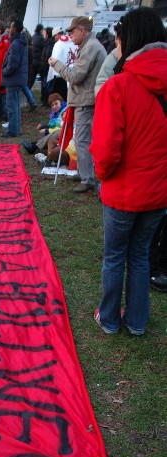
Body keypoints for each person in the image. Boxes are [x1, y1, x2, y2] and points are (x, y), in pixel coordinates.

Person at [89, 7, 167, 335]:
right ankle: (136, 322)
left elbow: (106, 150)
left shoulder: (118, 87)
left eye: (118, 42)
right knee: (140, 256)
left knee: (115, 257)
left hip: (124, 192)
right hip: (158, 192)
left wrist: (103, 176)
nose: (115, 49)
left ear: (129, 41)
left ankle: (108, 318)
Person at [48, 16, 106, 193]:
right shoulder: (90, 46)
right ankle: (84, 173)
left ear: (82, 30)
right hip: (85, 99)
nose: (70, 35)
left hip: (86, 100)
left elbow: (75, 76)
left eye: (72, 31)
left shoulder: (90, 48)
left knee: (82, 139)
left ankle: (87, 178)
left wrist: (57, 65)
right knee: (83, 139)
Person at [1, 19, 28, 138]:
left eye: (11, 27)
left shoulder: (15, 44)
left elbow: (13, 64)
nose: (9, 29)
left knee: (12, 106)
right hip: (18, 78)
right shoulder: (21, 42)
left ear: (15, 29)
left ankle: (12, 130)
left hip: (13, 78)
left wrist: (4, 71)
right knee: (16, 105)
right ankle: (16, 128)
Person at [46, 27, 76, 100]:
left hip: (60, 74)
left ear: (57, 35)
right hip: (72, 72)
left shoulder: (58, 44)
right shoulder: (74, 43)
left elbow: (54, 59)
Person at [39, 27, 55, 104]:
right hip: (45, 68)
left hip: (47, 68)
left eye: (44, 33)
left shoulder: (50, 44)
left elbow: (47, 56)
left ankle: (46, 101)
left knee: (47, 85)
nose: (43, 35)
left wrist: (44, 65)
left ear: (47, 34)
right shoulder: (47, 43)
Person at [30, 23, 44, 92]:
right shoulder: (41, 38)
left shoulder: (34, 36)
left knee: (31, 78)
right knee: (43, 78)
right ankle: (43, 94)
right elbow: (43, 47)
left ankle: (27, 91)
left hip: (33, 60)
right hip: (39, 61)